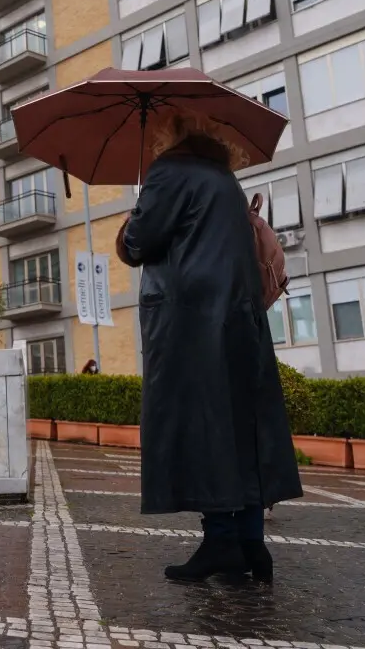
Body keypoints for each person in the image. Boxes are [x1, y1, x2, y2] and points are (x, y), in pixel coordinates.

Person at [115, 114, 302, 584]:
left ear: (169, 134)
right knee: (241, 427)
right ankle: (251, 543)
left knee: (203, 426)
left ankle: (221, 540)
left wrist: (129, 222)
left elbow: (137, 244)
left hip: (192, 322)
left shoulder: (167, 173)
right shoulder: (226, 180)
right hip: (239, 320)